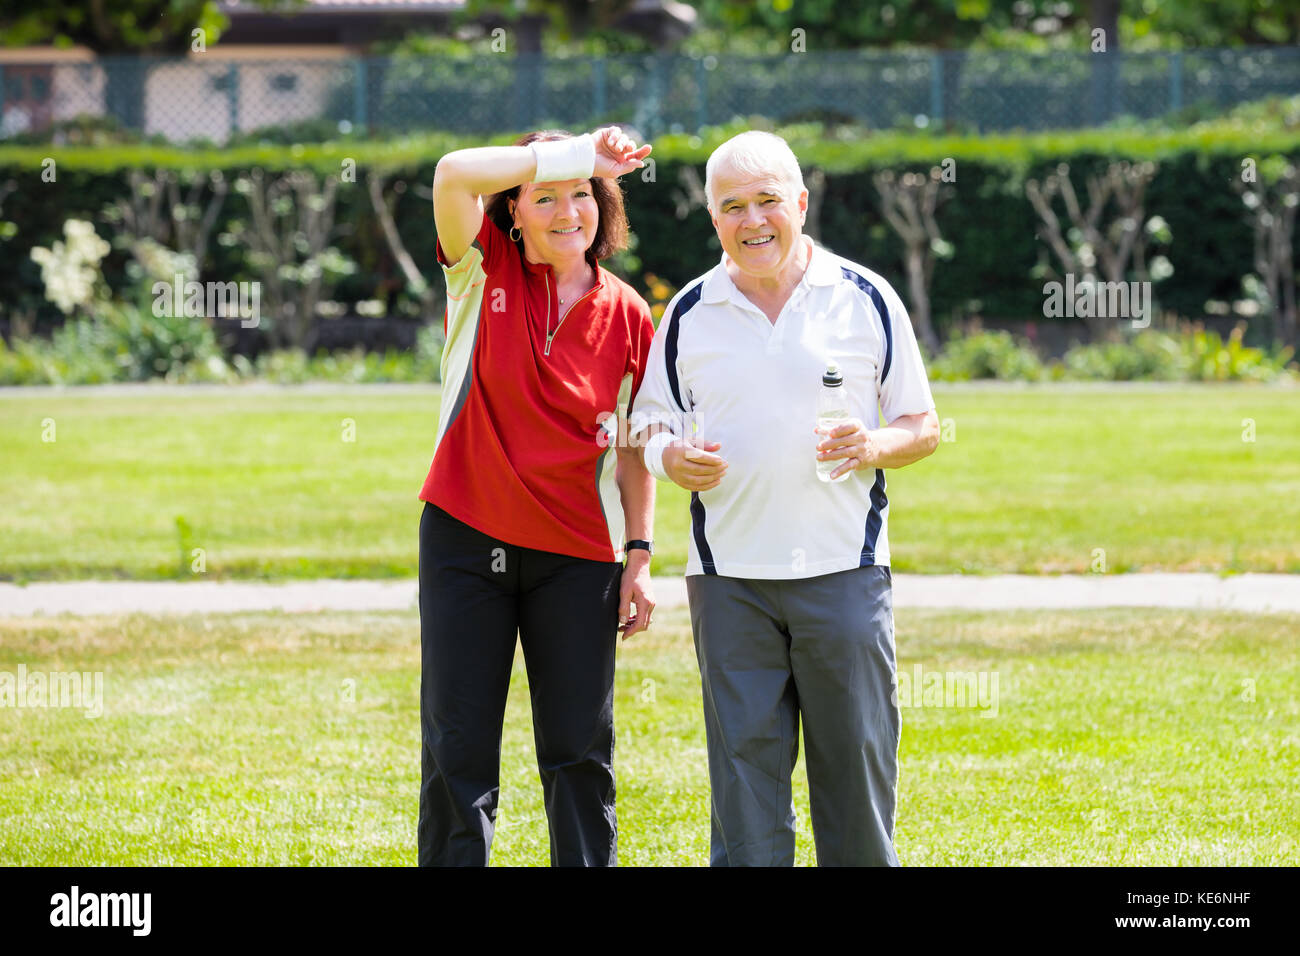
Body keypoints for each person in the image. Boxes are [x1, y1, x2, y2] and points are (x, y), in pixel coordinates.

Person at [629, 130, 940, 866]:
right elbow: (646, 422)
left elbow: (922, 426)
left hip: (844, 574)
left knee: (855, 779)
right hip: (729, 582)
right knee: (744, 791)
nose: (752, 220)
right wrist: (669, 455)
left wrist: (870, 445)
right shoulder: (689, 313)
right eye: (731, 206)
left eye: (768, 200)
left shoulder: (864, 297)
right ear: (714, 221)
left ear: (800, 202)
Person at [420, 126, 657, 867]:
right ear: (512, 212)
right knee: (458, 754)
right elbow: (455, 172)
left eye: (582, 193)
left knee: (579, 753)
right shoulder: (480, 271)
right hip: (464, 538)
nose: (566, 210)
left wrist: (640, 553)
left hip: (576, 559)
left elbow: (633, 447)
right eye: (544, 196)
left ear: (603, 205)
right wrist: (577, 150)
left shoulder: (628, 313)